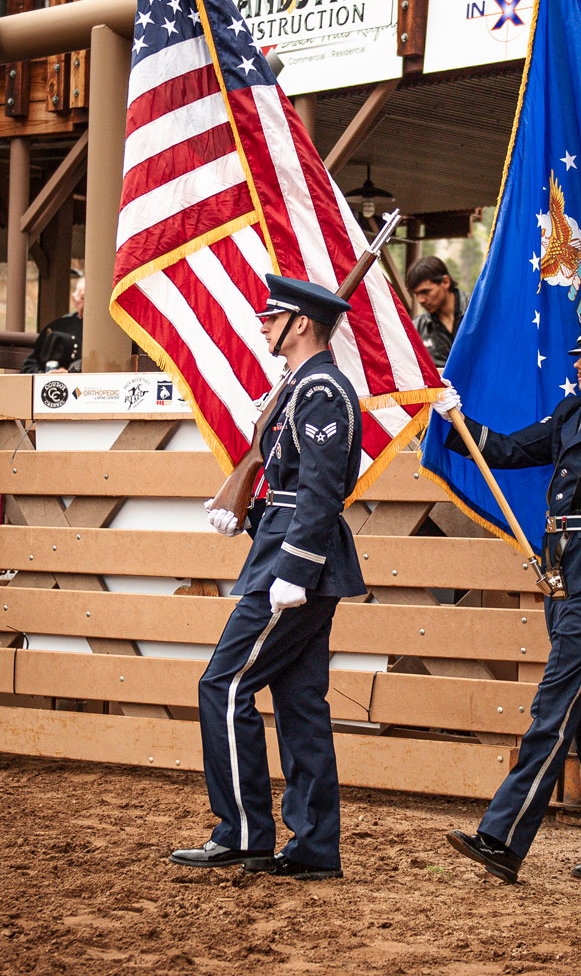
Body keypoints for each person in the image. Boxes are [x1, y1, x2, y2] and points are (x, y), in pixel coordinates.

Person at [438, 311, 581, 882]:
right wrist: (454, 419)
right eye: (580, 357)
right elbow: (511, 450)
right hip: (563, 575)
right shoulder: (573, 413)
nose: (579, 365)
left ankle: (502, 837)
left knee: (554, 707)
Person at [170, 274, 365, 880]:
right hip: (284, 550)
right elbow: (287, 481)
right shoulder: (299, 386)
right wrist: (246, 514)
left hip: (294, 565)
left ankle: (243, 834)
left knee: (224, 686)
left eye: (272, 317)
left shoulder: (322, 391)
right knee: (301, 704)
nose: (262, 325)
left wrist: (295, 570)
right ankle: (313, 849)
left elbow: (322, 490)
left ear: (300, 324)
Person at [405, 256, 466, 371]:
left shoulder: (477, 314)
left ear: (445, 282)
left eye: (425, 292)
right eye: (416, 294)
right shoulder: (416, 329)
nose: (420, 300)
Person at [20, 277, 85, 374]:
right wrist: (46, 376)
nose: (88, 304)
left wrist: (70, 374)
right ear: (74, 299)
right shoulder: (61, 327)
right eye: (84, 298)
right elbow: (29, 366)